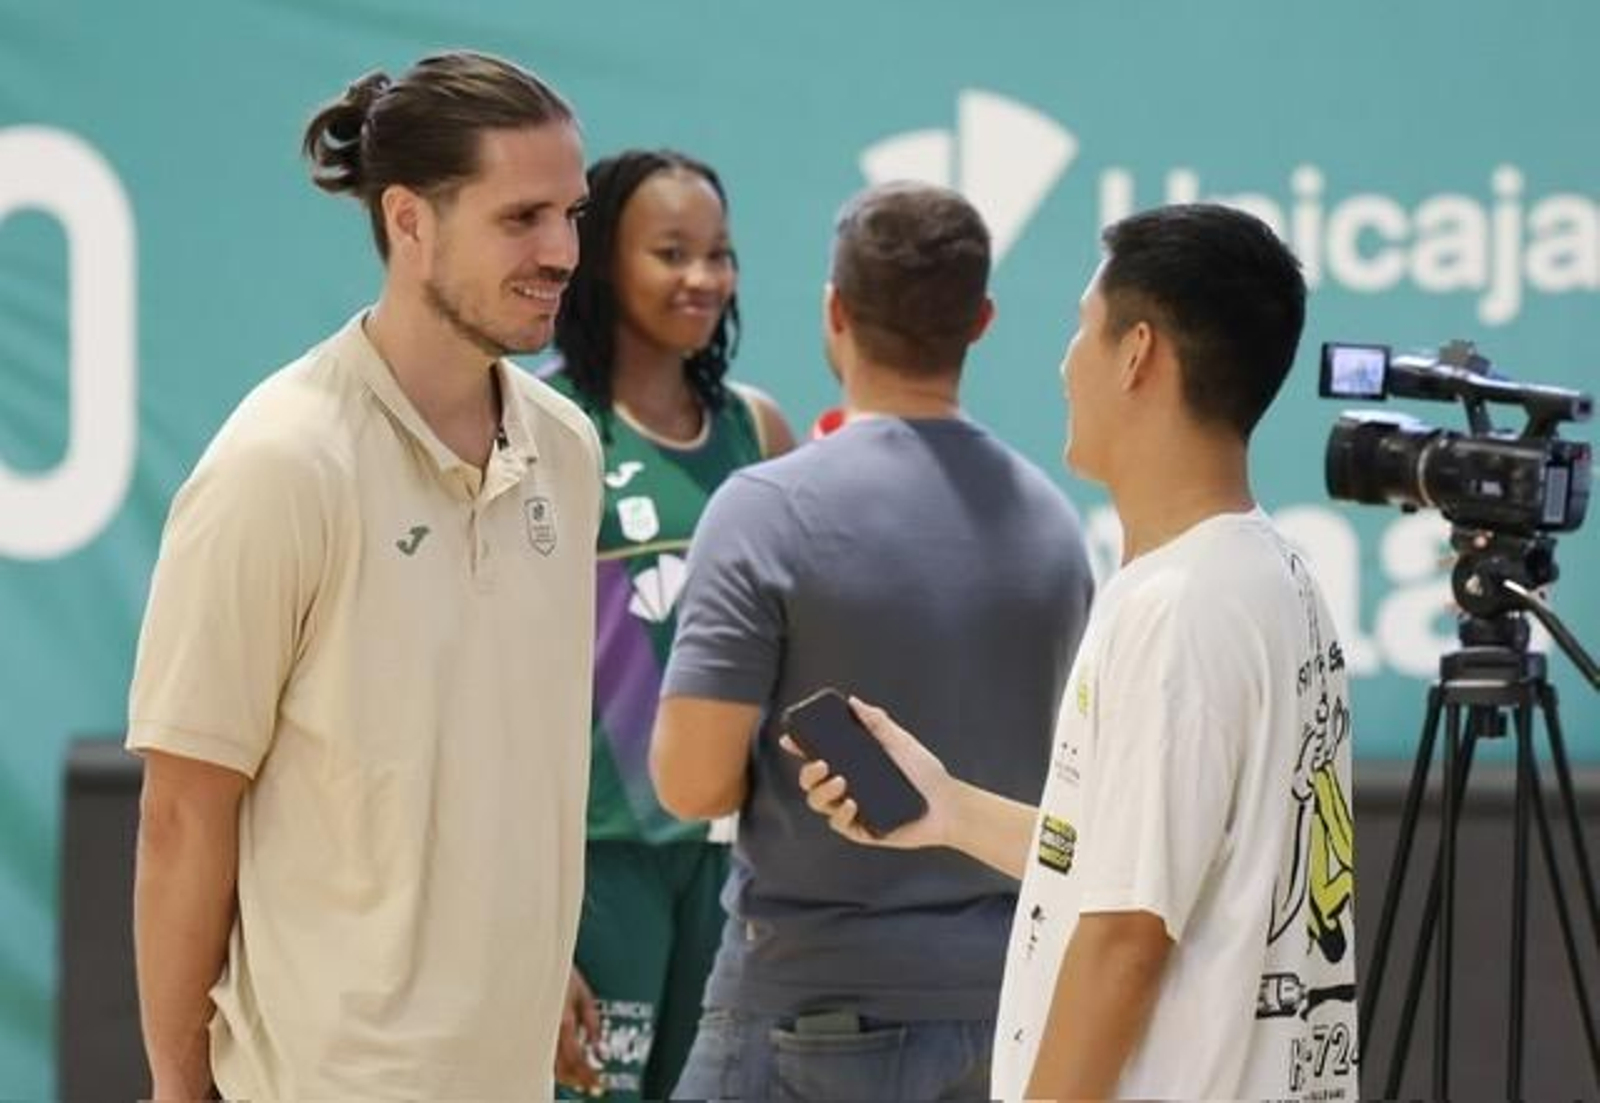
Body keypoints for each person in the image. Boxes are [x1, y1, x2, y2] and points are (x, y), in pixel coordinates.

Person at [794, 203, 1358, 1101]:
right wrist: (944, 806)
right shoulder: (1272, 572)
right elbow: (1134, 858)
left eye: (1081, 330)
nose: (1064, 364)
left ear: (1136, 353)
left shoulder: (1179, 605)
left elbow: (1125, 937)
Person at [125, 51, 602, 1099]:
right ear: (408, 220)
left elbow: (494, 762)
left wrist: (535, 964)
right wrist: (174, 1082)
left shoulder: (567, 452)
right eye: (521, 218)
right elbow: (182, 813)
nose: (562, 250)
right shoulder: (279, 463)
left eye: (572, 212)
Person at [650, 181, 1096, 1100]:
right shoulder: (1053, 524)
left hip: (813, 1005)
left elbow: (691, 782)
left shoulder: (766, 510)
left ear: (835, 311)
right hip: (1009, 1006)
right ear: (981, 320)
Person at [541, 148, 795, 1100]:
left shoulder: (758, 429)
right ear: (602, 260)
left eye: (719, 254)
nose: (703, 278)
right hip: (596, 852)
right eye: (672, 252)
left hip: (729, 853)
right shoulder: (540, 421)